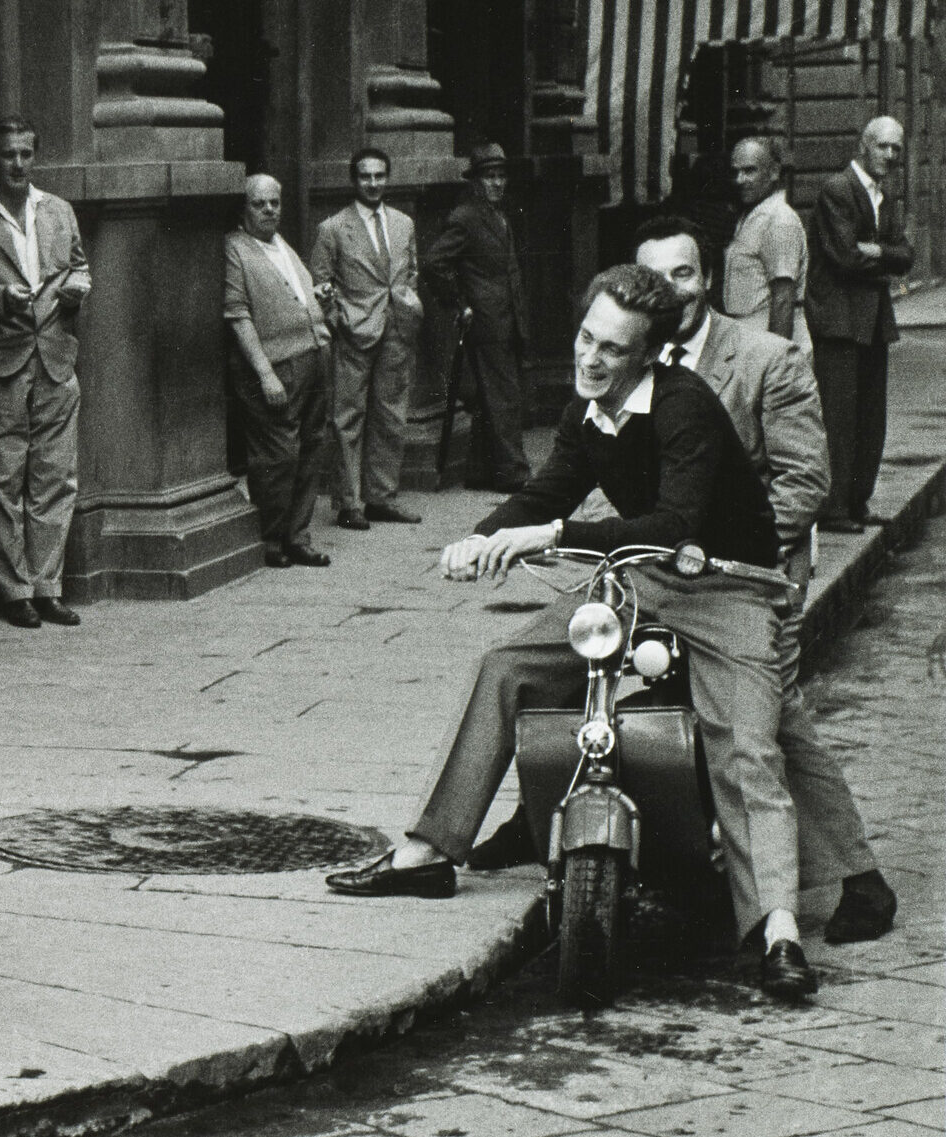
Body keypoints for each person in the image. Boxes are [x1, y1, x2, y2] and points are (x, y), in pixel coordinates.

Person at [326, 264, 820, 999]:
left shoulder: (684, 406)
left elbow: (673, 523)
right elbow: (547, 490)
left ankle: (777, 930)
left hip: (727, 587)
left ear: (649, 355)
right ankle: (429, 850)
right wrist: (483, 537)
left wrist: (552, 535)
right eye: (587, 338)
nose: (591, 358)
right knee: (507, 665)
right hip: (639, 580)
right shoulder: (586, 411)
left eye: (612, 349)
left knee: (747, 745)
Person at [630, 219, 896, 943]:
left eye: (684, 274)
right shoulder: (635, 358)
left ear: (708, 278)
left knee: (771, 718)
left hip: (755, 572)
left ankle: (860, 880)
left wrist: (719, 553)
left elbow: (804, 480)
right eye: (655, 278)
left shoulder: (765, 357)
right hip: (670, 571)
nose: (671, 292)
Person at [0, 114, 89, 628]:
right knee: (4, 478)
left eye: (26, 154)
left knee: (55, 476)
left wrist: (78, 287)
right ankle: (14, 590)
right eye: (8, 154)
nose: (18, 164)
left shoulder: (57, 209)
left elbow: (78, 265)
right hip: (1, 359)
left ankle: (47, 586)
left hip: (56, 356)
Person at [805, 116, 912, 534]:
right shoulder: (838, 188)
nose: (890, 155)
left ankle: (856, 501)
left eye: (896, 148)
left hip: (871, 321)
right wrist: (887, 259)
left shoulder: (885, 194)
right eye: (883, 146)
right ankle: (834, 509)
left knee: (870, 417)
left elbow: (906, 255)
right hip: (839, 321)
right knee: (839, 417)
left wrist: (878, 252)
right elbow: (846, 257)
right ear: (863, 146)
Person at [224, 175, 335, 569]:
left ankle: (297, 537)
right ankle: (271, 539)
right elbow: (237, 315)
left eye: (275, 202)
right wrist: (265, 373)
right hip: (276, 367)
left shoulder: (281, 243)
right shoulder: (236, 248)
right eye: (260, 204)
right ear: (244, 209)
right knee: (277, 455)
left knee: (311, 447)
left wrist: (316, 298)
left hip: (314, 355)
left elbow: (290, 293)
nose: (269, 210)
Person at [310, 147, 424, 529]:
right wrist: (339, 320)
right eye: (365, 176)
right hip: (354, 333)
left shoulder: (403, 223)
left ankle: (381, 497)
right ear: (354, 180)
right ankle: (349, 504)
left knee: (391, 415)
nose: (373, 183)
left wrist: (408, 305)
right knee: (348, 417)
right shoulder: (333, 228)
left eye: (379, 176)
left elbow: (411, 272)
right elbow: (320, 283)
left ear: (387, 178)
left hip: (397, 329)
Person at [424, 141, 530, 493]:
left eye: (501, 176)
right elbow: (434, 263)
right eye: (489, 177)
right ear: (475, 182)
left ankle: (482, 471)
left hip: (506, 317)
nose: (497, 183)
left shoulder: (497, 214)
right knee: (503, 395)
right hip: (486, 321)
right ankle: (514, 473)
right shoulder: (466, 217)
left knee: (489, 397)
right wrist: (459, 303)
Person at [725, 136, 811, 354]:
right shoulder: (754, 214)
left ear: (773, 172)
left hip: (767, 340)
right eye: (735, 172)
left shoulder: (779, 219)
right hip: (748, 338)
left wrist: (775, 359)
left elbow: (783, 298)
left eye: (749, 171)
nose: (740, 179)